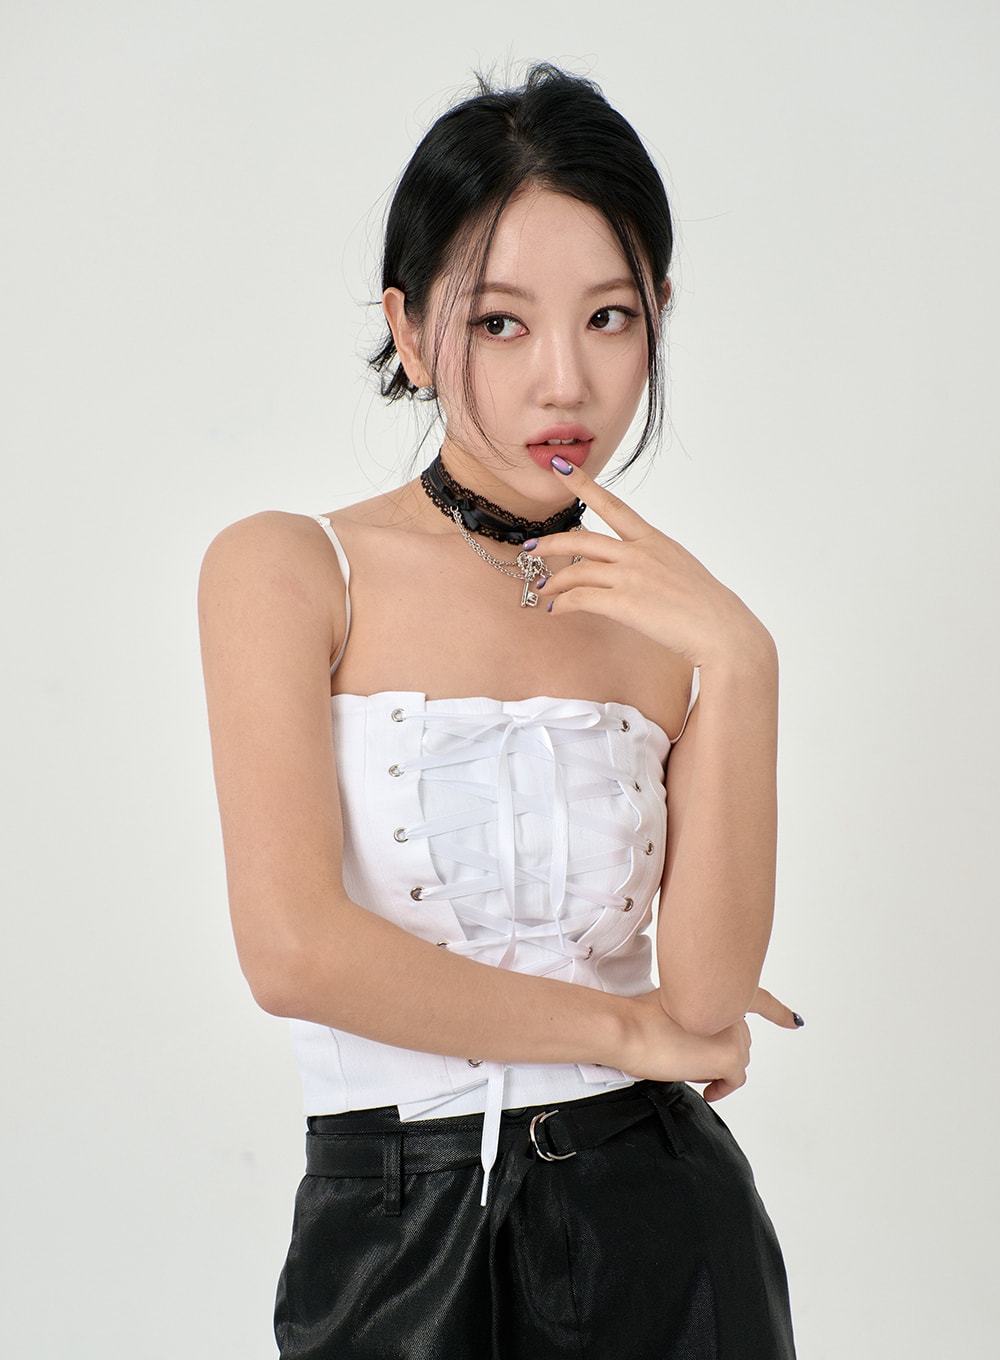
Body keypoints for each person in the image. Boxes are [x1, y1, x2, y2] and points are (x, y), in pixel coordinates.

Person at [199, 64, 800, 1360]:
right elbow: (293, 952)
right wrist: (626, 1028)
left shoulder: (672, 622)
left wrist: (745, 663)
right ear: (411, 331)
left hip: (672, 1240)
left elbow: (706, 997)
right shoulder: (289, 569)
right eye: (501, 324)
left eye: (609, 317)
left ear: (657, 318)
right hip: (396, 1241)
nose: (565, 383)